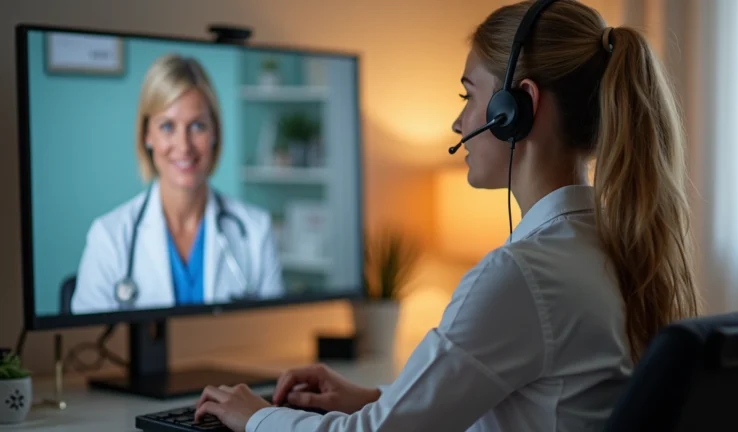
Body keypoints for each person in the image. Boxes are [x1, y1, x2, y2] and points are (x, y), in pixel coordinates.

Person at [192, 0, 701, 430]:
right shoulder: (611, 246)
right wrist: (373, 396)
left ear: (515, 109)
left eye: (469, 95)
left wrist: (256, 416)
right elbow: (515, 398)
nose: (459, 121)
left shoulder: (523, 276)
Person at [71, 54, 285, 314]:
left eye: (197, 126)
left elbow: (273, 338)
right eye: (167, 126)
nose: (184, 146)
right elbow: (85, 349)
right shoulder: (109, 238)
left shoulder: (255, 231)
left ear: (215, 133)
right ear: (146, 135)